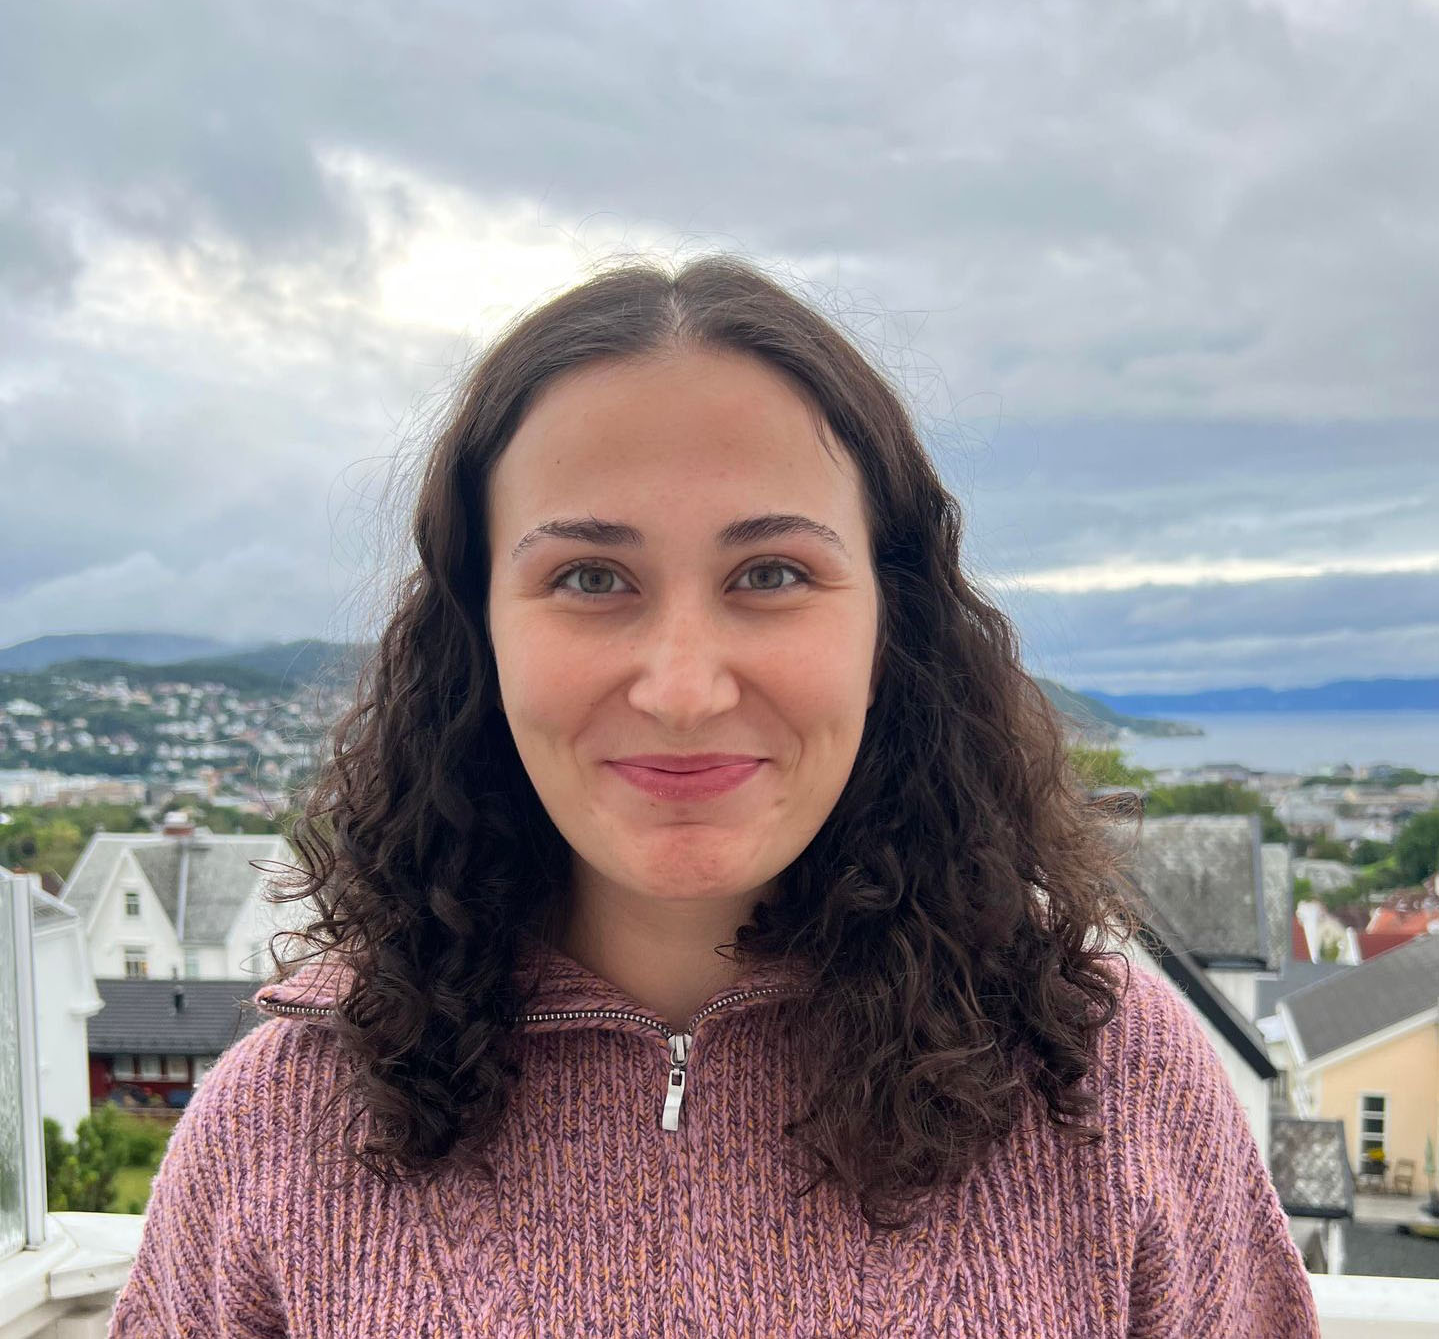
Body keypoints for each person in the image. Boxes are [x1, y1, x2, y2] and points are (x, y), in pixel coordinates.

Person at [108, 256, 1320, 1337]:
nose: (683, 689)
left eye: (771, 572)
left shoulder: (1107, 1086)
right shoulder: (282, 1122)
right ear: (479, 632)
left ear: (888, 623)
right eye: (590, 577)